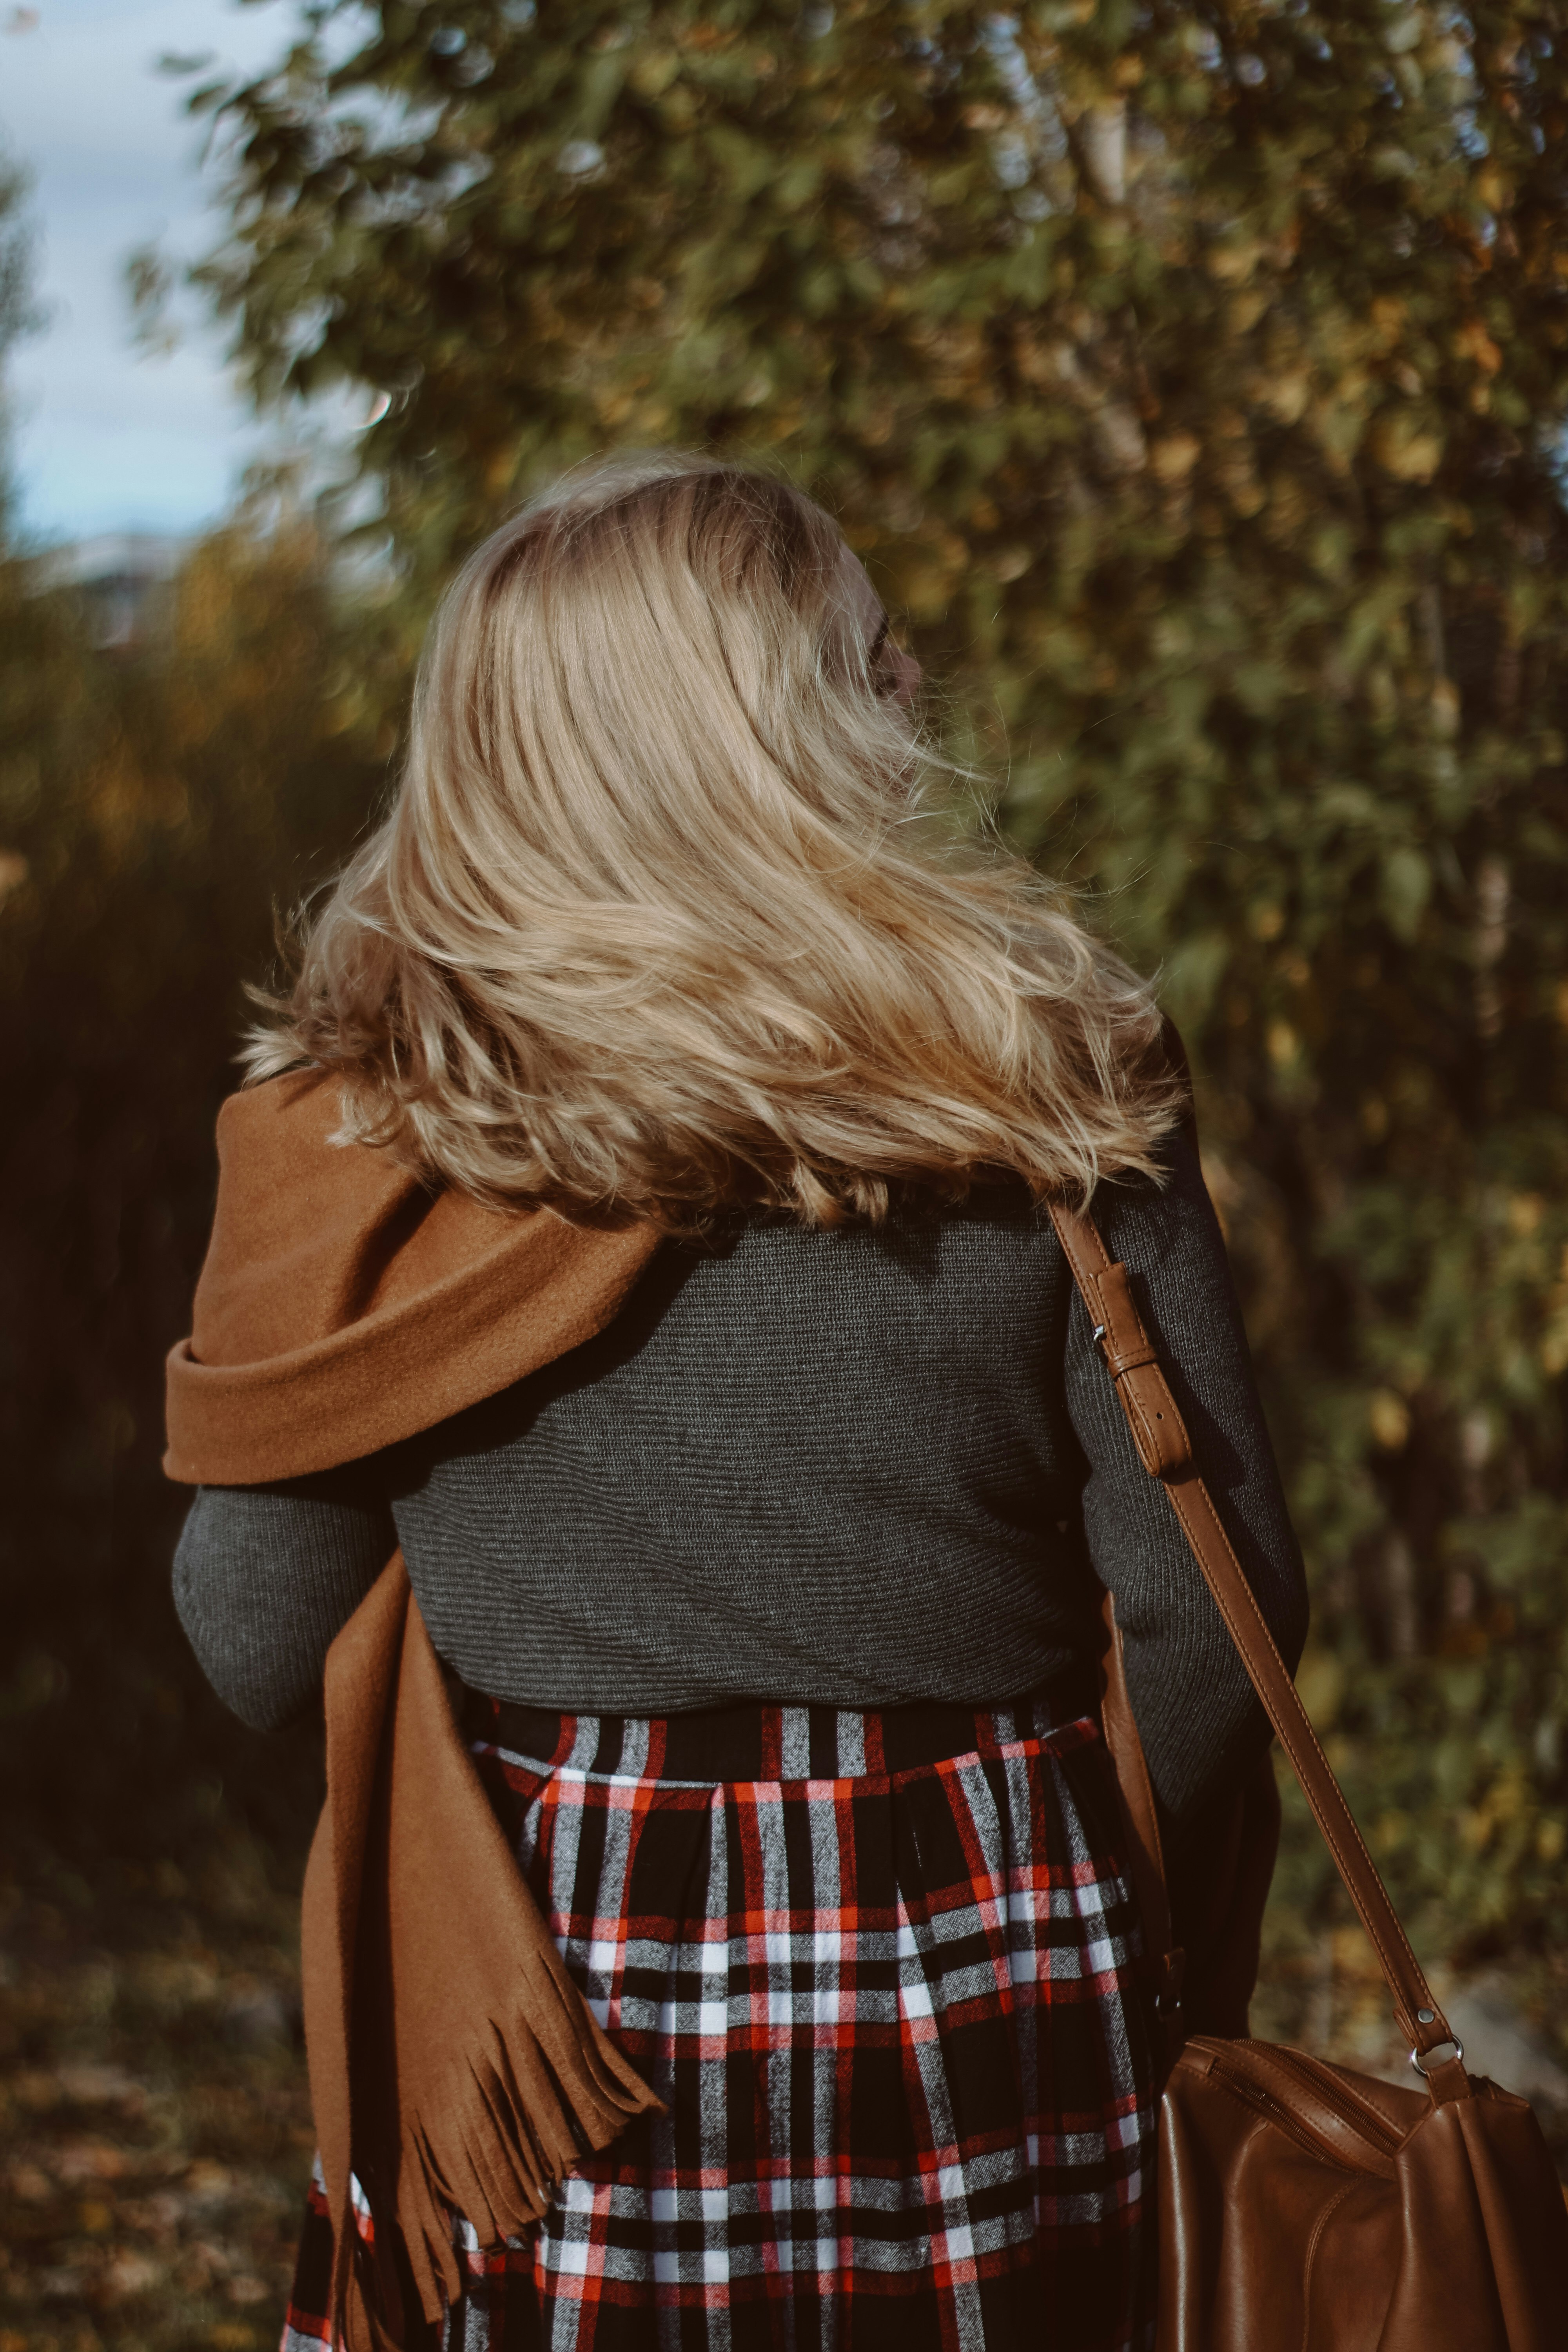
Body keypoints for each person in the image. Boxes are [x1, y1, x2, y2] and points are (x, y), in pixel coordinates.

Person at [169, 452, 1307, 2352]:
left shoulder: (373, 1131)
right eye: (873, 655)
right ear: (775, 736)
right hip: (992, 1926)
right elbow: (1217, 1617)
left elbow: (248, 1638)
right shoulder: (1043, 1064)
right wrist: (1120, 1919)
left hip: (556, 1971)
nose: (916, 690)